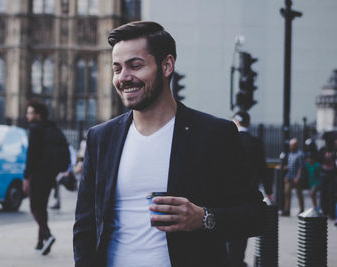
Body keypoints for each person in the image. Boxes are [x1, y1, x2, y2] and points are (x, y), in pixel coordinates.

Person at [73, 21, 266, 267]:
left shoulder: (215, 134)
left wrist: (204, 217)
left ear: (166, 66)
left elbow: (256, 215)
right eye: (117, 68)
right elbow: (85, 226)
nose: (124, 77)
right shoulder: (100, 138)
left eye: (135, 65)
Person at [227, 111, 272, 267]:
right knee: (241, 231)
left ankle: (231, 260)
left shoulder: (229, 139)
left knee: (227, 228)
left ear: (237, 121)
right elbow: (263, 168)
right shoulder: (255, 142)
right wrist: (269, 190)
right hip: (248, 193)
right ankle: (237, 260)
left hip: (228, 193)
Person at [23, 99, 56, 255]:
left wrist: (26, 176)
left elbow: (31, 156)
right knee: (42, 206)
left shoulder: (35, 129)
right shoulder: (52, 127)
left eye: (30, 113)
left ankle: (48, 235)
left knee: (34, 207)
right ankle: (40, 241)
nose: (27, 116)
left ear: (38, 114)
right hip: (50, 173)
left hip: (37, 174)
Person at [282, 138, 305, 216]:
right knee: (287, 193)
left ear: (296, 145)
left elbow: (301, 167)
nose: (290, 147)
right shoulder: (290, 153)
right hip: (289, 176)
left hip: (296, 177)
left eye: (291, 145)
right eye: (290, 145)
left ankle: (302, 209)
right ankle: (286, 210)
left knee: (299, 194)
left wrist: (298, 177)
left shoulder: (300, 154)